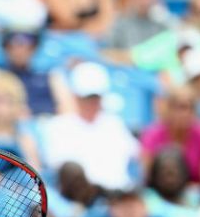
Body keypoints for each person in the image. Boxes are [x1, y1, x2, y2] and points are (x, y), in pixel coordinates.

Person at [41, 62, 139, 190]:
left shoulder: (114, 123)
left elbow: (136, 155)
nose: (92, 102)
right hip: (81, 196)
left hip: (119, 194)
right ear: (76, 97)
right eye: (87, 98)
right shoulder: (58, 127)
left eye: (96, 97)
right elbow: (59, 168)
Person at [140, 85, 200, 186]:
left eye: (191, 108)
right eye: (181, 107)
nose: (186, 113)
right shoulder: (152, 135)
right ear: (169, 109)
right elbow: (146, 176)